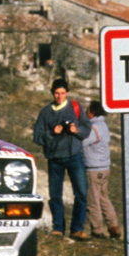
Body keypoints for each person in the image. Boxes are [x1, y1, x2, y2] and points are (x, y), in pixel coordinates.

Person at [32, 78, 91, 240]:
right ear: (52, 93)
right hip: (55, 158)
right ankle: (58, 228)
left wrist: (76, 130)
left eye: (63, 93)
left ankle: (77, 229)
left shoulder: (76, 108)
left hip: (74, 156)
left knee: (81, 193)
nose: (60, 96)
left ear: (67, 93)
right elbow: (37, 137)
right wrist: (52, 133)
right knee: (55, 196)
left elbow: (86, 128)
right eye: (57, 93)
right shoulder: (45, 112)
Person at [82, 101, 121, 239]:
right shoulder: (103, 125)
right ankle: (113, 226)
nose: (86, 113)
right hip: (104, 168)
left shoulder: (94, 128)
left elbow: (83, 142)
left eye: (87, 110)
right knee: (104, 198)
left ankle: (97, 230)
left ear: (92, 112)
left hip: (93, 168)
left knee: (93, 200)